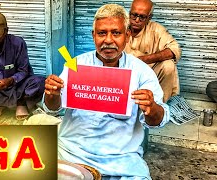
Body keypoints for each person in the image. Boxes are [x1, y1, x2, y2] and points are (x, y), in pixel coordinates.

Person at [44, 4, 170, 179]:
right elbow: (53, 108)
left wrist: (152, 107)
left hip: (122, 161)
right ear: (93, 36)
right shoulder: (75, 65)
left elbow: (158, 120)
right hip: (72, 154)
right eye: (102, 33)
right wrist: (52, 94)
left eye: (116, 33)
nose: (108, 40)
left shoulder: (141, 72)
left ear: (127, 36)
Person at [125, 0, 182, 103]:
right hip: (125, 75)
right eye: (134, 15)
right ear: (129, 13)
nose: (137, 20)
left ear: (149, 17)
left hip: (149, 75)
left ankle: (160, 105)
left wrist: (143, 60)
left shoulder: (156, 29)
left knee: (168, 66)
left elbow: (174, 49)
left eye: (142, 17)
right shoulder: (120, 26)